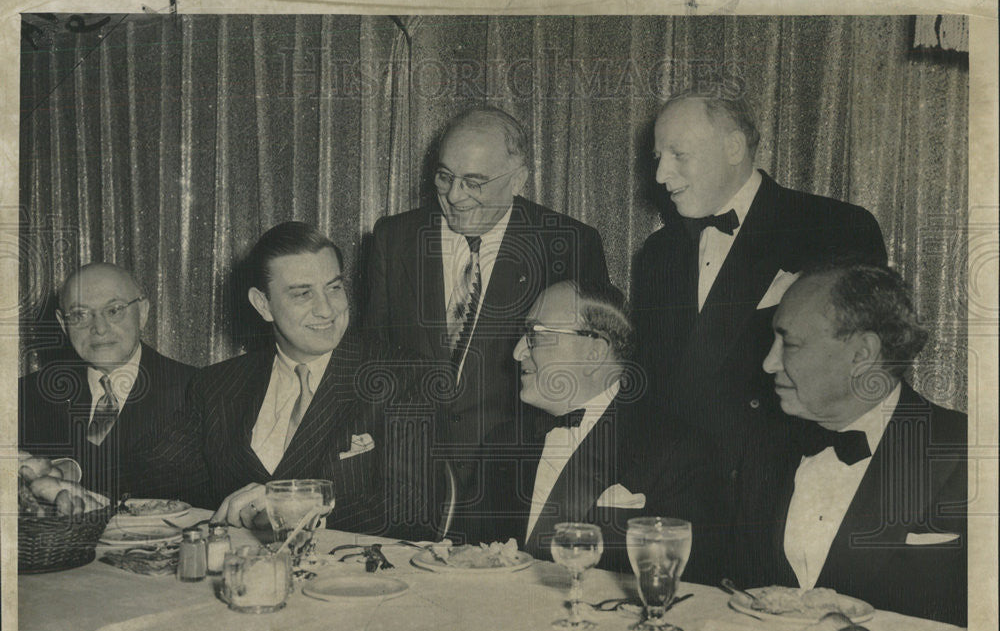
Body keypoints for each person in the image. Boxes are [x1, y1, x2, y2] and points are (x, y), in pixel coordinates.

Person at [630, 86, 888, 540]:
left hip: (778, 504)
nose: (661, 174)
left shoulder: (836, 227)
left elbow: (852, 377)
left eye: (678, 155)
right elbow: (652, 388)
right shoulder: (657, 253)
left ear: (733, 148)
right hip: (675, 506)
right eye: (657, 157)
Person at [363, 107, 609, 525]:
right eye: (444, 177)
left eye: (474, 182)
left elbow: (588, 382)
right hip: (407, 483)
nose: (455, 195)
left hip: (511, 485)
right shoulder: (394, 238)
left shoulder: (567, 244)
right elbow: (373, 358)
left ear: (518, 179)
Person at [127, 222, 433, 538]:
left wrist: (289, 507)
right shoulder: (216, 384)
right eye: (303, 293)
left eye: (334, 287)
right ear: (263, 305)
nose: (327, 309)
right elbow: (158, 478)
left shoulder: (402, 374)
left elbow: (411, 508)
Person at [447, 280, 720, 576]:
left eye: (535, 335)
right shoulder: (501, 443)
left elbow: (689, 585)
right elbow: (465, 561)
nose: (516, 352)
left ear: (594, 352)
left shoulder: (676, 452)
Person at [746, 263, 967, 625]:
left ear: (862, 354)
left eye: (789, 343)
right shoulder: (762, 446)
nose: (769, 363)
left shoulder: (971, 454)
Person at [18, 263, 196, 501]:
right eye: (80, 315)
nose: (99, 329)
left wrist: (74, 469)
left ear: (142, 313)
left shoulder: (197, 388)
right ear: (63, 323)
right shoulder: (25, 394)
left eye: (113, 311)